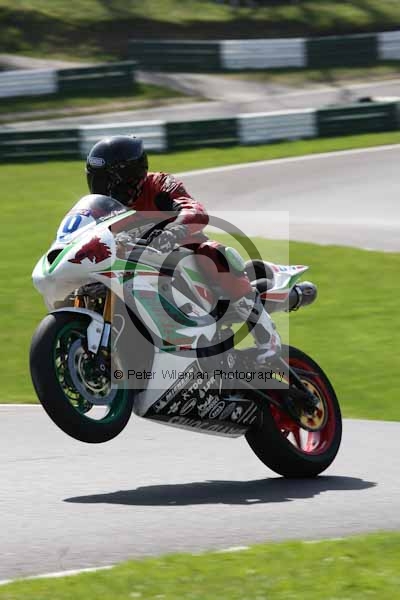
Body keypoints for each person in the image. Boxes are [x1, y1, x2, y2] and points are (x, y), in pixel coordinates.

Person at [85, 134, 280, 363]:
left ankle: (266, 336)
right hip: (128, 268)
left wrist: (174, 231)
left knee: (215, 254)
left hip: (179, 257)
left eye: (108, 181)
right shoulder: (98, 208)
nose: (104, 189)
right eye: (98, 181)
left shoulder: (159, 184)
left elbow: (195, 210)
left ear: (130, 176)